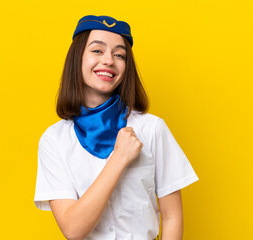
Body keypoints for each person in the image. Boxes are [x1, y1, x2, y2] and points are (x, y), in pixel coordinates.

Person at [34, 15, 199, 240]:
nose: (109, 61)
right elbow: (73, 229)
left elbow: (172, 217)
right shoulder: (54, 140)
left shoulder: (152, 129)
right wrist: (119, 157)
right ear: (77, 59)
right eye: (97, 51)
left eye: (119, 54)